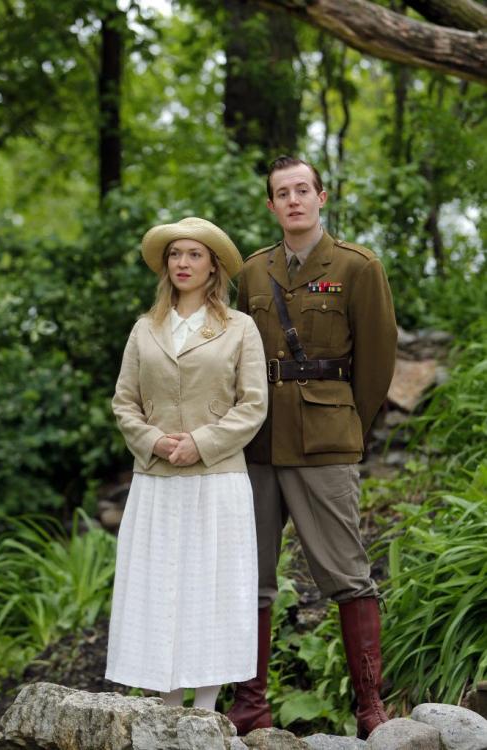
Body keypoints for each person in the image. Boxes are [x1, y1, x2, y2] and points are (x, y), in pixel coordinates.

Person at [227, 156, 398, 739]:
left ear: (322, 197)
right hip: (256, 443)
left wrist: (348, 425)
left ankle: (370, 706)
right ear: (271, 206)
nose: (294, 200)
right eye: (283, 193)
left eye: (304, 189)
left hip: (327, 443)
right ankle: (251, 704)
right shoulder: (251, 274)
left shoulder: (357, 267)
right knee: (251, 576)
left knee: (349, 575)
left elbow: (376, 364)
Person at [105, 216, 268, 712]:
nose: (182, 263)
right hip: (156, 481)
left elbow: (254, 403)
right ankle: (168, 705)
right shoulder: (144, 329)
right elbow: (123, 402)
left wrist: (200, 442)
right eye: (175, 254)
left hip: (216, 478)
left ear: (213, 267)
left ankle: (204, 710)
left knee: (212, 588)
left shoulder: (240, 328)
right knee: (160, 586)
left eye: (194, 254)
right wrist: (154, 441)